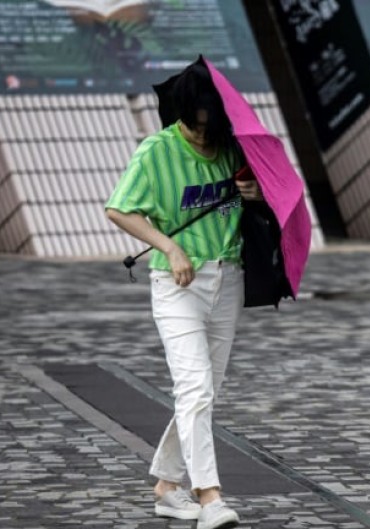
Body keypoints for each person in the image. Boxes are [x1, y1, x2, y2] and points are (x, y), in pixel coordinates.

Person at [105, 63, 263, 529]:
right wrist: (170, 247)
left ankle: (166, 488)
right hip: (177, 287)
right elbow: (118, 209)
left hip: (228, 277)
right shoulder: (155, 150)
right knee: (194, 389)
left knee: (204, 393)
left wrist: (252, 193)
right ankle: (210, 497)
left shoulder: (233, 146)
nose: (202, 133)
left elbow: (256, 202)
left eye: (209, 122)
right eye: (195, 123)